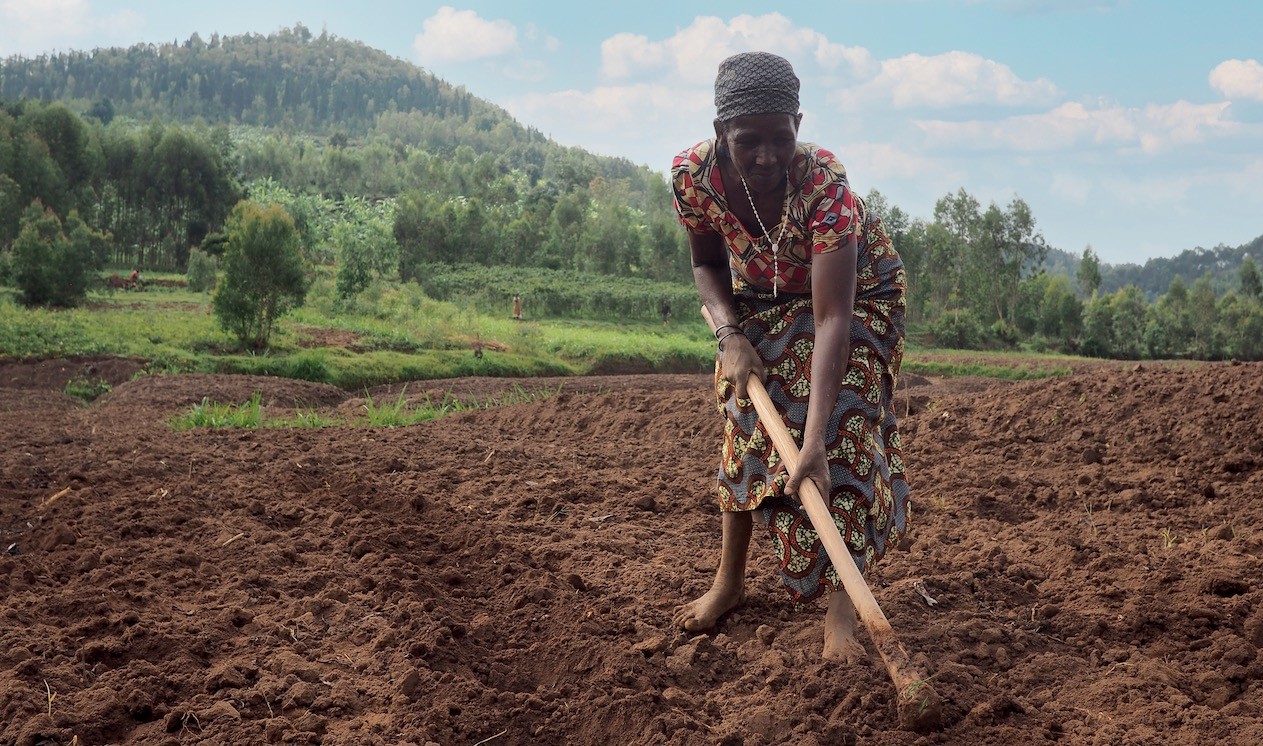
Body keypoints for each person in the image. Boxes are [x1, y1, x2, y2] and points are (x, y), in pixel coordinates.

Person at [670, 51, 910, 663]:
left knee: (842, 427)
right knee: (747, 415)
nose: (768, 156)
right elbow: (706, 263)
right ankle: (728, 583)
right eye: (750, 141)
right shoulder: (693, 177)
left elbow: (832, 317)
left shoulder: (825, 183)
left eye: (783, 138)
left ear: (799, 124)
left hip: (857, 299)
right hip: (758, 295)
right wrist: (731, 338)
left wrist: (816, 438)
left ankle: (842, 616)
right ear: (722, 131)